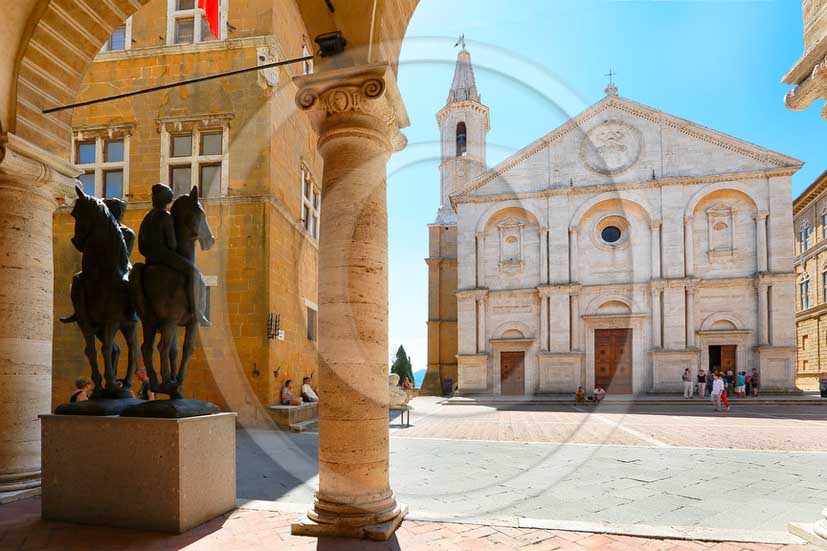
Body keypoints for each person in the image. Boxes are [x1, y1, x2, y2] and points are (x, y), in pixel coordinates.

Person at [138, 183, 210, 326]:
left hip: (149, 259)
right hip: (165, 256)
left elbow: (140, 244)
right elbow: (172, 244)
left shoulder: (147, 216)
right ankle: (197, 313)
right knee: (194, 273)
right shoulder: (166, 217)